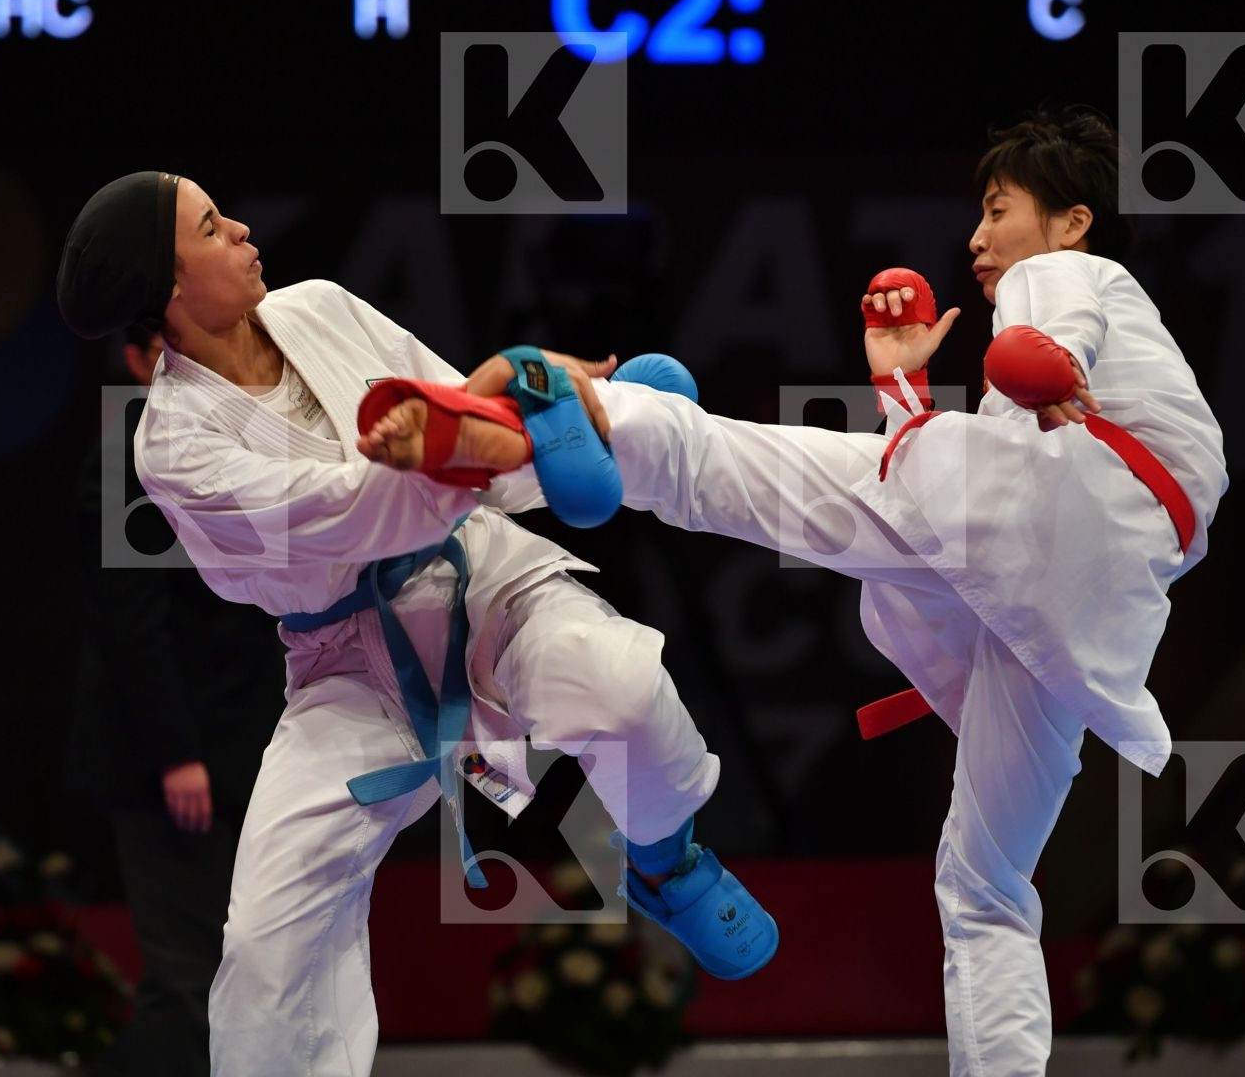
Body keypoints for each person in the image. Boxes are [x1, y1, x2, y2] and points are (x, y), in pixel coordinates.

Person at [360, 107, 1229, 1075]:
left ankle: (584, 418)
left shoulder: (1072, 271)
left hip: (1063, 523)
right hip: (1079, 597)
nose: (978, 238)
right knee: (983, 886)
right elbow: (981, 483)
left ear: (1073, 220)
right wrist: (907, 391)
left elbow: (1043, 344)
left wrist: (1039, 362)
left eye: (998, 210)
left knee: (760, 472)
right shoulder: (1109, 351)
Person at [54, 171, 778, 1077]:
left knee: (624, 689)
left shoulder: (316, 306)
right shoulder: (175, 443)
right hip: (351, 664)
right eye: (210, 226)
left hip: (487, 581)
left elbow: (454, 409)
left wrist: (565, 430)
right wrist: (478, 431)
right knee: (267, 941)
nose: (241, 227)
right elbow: (353, 512)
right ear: (166, 290)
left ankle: (669, 864)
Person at [67, 321, 286, 1077]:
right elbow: (131, 621)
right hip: (172, 768)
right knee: (190, 981)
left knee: (249, 976)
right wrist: (177, 755)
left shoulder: (236, 440)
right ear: (133, 360)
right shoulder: (127, 449)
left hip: (242, 752)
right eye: (165, 353)